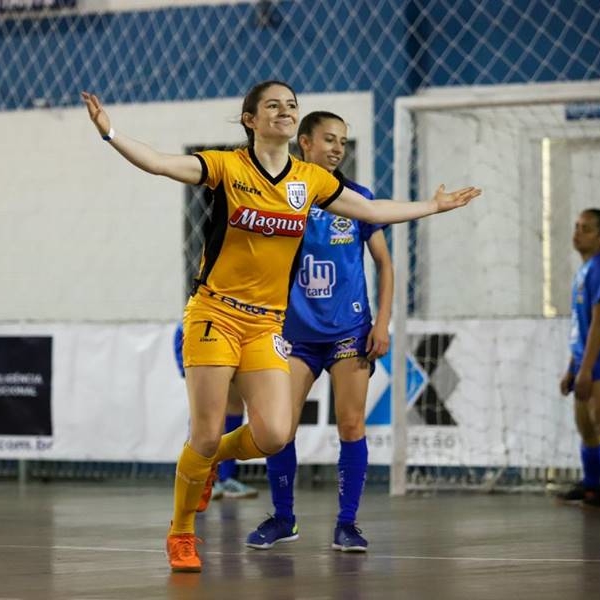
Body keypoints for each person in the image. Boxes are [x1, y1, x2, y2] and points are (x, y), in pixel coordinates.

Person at [82, 80, 481, 572]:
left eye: (291, 105)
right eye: (273, 105)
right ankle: (182, 531)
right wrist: (111, 132)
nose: (285, 111)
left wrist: (432, 207)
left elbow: (373, 211)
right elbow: (161, 162)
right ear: (251, 119)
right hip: (214, 313)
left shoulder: (310, 180)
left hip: (267, 323)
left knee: (273, 434)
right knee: (206, 432)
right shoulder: (227, 166)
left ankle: (204, 462)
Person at [245, 111, 390, 552]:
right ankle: (285, 518)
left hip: (349, 332)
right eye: (329, 139)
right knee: (277, 429)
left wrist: (381, 323)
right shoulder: (282, 198)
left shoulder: (357, 198)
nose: (337, 148)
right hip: (295, 334)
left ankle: (347, 524)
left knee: (350, 425)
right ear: (303, 143)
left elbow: (384, 262)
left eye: (342, 142)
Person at [173, 322, 258, 500]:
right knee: (206, 410)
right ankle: (196, 479)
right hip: (203, 333)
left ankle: (226, 478)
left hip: (235, 334)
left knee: (234, 405)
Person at [558, 208, 600, 507]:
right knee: (585, 426)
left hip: (596, 364)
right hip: (583, 362)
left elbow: (599, 320)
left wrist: (587, 369)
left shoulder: (599, 268)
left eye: (585, 228)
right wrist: (572, 369)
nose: (577, 233)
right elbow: (580, 325)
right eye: (576, 226)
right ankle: (592, 485)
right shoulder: (582, 272)